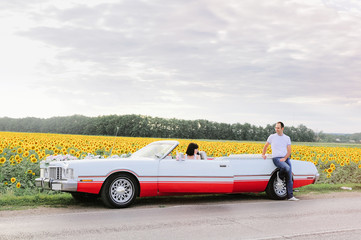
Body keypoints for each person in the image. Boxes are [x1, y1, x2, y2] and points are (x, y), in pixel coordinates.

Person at [262, 122, 299, 201]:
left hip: (285, 158)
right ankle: (280, 175)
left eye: (278, 128)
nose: (276, 129)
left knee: (289, 177)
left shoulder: (287, 138)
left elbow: (289, 150)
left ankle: (290, 196)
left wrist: (285, 158)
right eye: (275, 128)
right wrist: (263, 154)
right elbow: (266, 146)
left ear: (282, 128)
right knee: (287, 168)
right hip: (276, 158)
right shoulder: (272, 137)